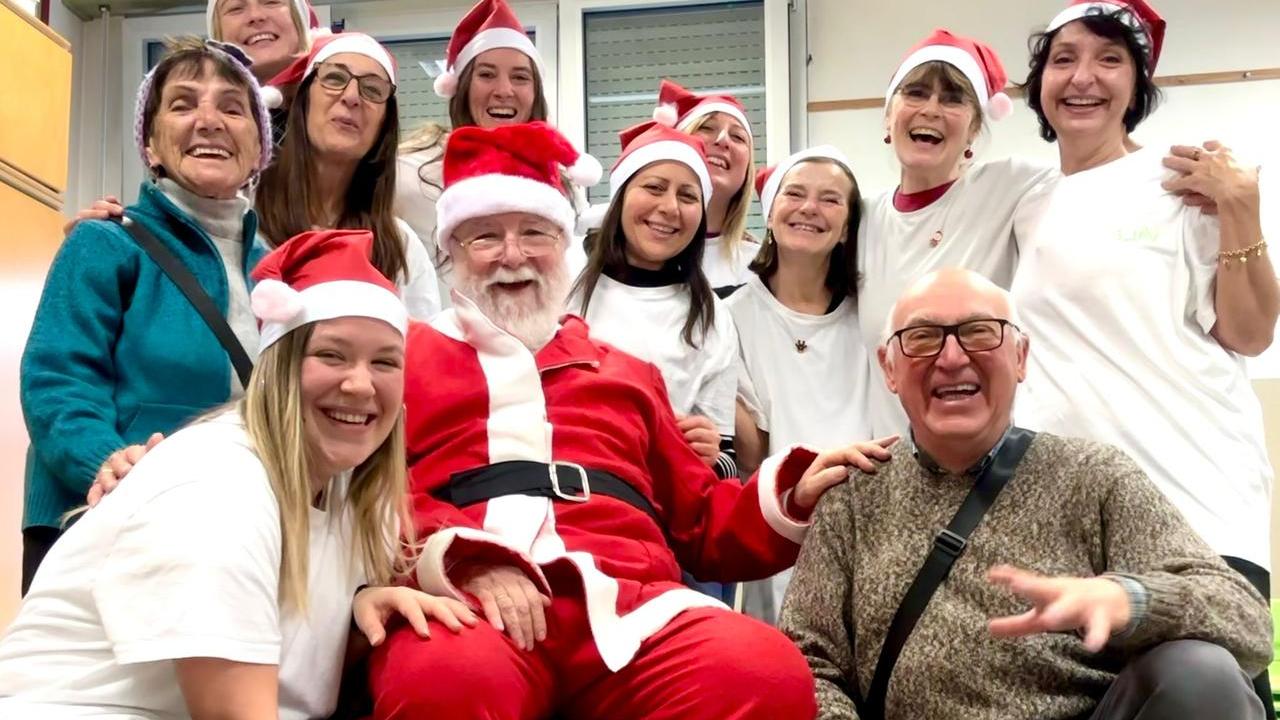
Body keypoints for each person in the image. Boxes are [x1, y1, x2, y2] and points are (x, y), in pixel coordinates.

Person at [364, 121, 892, 720]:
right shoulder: (404, 356)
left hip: (628, 602)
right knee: (442, 680)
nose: (513, 255)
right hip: (472, 599)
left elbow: (701, 516)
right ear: (452, 250)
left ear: (561, 244)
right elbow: (363, 493)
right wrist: (456, 555)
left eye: (534, 232)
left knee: (763, 673)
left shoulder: (628, 373)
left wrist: (792, 489)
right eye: (485, 235)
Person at [0, 229, 476, 718]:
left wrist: (353, 621)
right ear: (278, 369)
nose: (360, 385)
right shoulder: (219, 492)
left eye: (385, 362)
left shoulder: (345, 492)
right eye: (331, 355)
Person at [781, 268, 1272, 720]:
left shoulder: (1094, 476)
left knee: (1199, 673)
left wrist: (1130, 600)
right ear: (889, 368)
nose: (951, 358)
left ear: (1020, 357)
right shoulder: (854, 497)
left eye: (979, 332)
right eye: (923, 338)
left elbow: (1246, 619)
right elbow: (809, 661)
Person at [1010, 0, 1279, 710]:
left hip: (1195, 506)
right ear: (1039, 83)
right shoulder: (1030, 204)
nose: (1083, 77)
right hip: (1079, 525)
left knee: (1205, 691)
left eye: (1109, 60)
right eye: (1063, 59)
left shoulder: (1183, 184)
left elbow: (1251, 332)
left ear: (1137, 85)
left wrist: (1243, 211)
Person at [18, 38, 273, 593]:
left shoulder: (278, 270)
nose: (209, 121)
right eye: (183, 104)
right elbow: (57, 378)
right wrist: (104, 460)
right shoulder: (105, 241)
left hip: (232, 525)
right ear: (151, 145)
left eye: (233, 108)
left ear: (259, 150)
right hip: (100, 518)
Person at [856, 29, 1055, 439]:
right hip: (893, 460)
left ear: (975, 129)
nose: (931, 109)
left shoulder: (1008, 187)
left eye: (952, 99)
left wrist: (1194, 175)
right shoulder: (861, 218)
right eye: (915, 93)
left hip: (989, 459)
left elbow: (1103, 170)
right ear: (889, 117)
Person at [730, 146, 887, 623]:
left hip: (871, 527)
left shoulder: (872, 314)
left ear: (848, 228)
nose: (809, 208)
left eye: (830, 199)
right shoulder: (729, 317)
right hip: (781, 529)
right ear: (770, 213)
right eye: (794, 194)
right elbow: (751, 455)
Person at [571, 121, 740, 479]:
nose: (669, 207)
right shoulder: (564, 285)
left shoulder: (711, 316)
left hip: (658, 501)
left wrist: (707, 454)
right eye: (654, 187)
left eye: (688, 196)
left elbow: (728, 462)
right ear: (620, 197)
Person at [257, 31, 442, 320]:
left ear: (384, 124)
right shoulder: (248, 216)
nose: (352, 97)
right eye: (334, 78)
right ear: (303, 101)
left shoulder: (401, 247)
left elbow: (421, 343)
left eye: (373, 90)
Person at [395, 0, 556, 306]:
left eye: (520, 77)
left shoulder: (555, 178)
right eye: (486, 74)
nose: (504, 90)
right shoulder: (411, 173)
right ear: (463, 87)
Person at [652, 78, 760, 296]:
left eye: (738, 137)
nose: (723, 140)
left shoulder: (763, 266)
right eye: (707, 128)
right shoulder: (633, 251)